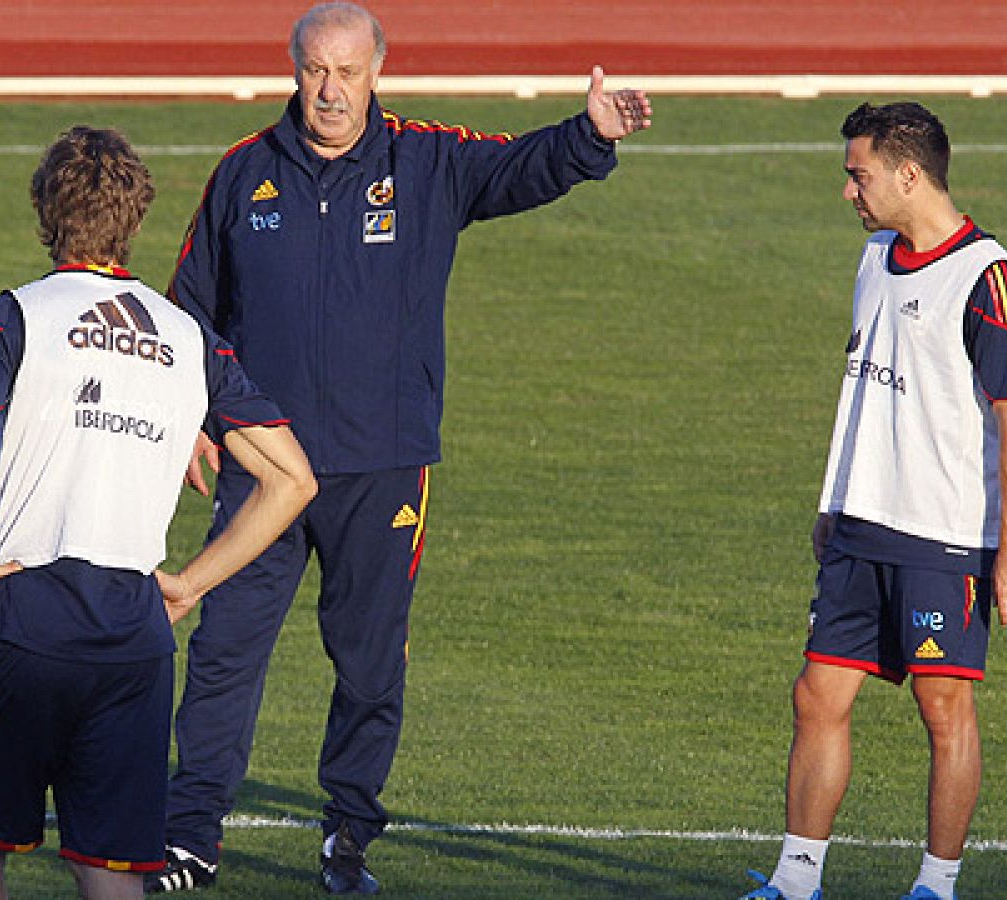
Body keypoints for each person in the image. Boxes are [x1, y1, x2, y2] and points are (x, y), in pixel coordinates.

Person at [148, 3, 653, 894]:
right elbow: (189, 307)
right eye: (315, 71)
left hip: (383, 465)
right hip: (263, 470)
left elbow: (518, 170)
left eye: (347, 71)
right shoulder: (241, 175)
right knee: (224, 646)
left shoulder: (427, 161)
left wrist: (589, 137)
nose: (330, 90)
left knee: (371, 661)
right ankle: (191, 839)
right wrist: (193, 417)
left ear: (378, 71)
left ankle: (348, 840)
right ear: (293, 69)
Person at [0, 125, 316, 900]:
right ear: (136, 219)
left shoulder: (14, 317)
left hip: (22, 616)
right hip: (134, 632)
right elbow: (292, 482)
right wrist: (191, 583)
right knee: (110, 868)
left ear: (43, 210)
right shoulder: (191, 339)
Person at [740, 102, 1007, 900]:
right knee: (816, 694)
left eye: (858, 174)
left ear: (910, 175)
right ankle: (796, 880)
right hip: (859, 529)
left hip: (942, 538)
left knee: (944, 712)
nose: (850, 192)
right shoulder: (875, 256)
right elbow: (867, 391)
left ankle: (936, 886)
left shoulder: (991, 280)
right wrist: (834, 500)